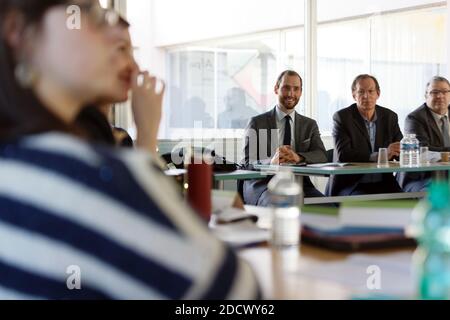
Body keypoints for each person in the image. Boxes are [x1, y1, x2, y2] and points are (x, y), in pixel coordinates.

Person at [0, 0, 259, 299]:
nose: (113, 37)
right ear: (18, 31)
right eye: (89, 14)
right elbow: (241, 296)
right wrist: (147, 135)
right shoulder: (99, 178)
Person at [242, 70, 327, 206]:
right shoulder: (257, 122)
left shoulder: (309, 125)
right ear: (276, 89)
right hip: (264, 185)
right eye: (286, 87)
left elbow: (322, 155)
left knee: (328, 208)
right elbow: (247, 163)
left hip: (299, 185)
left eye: (296, 89)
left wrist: (298, 157)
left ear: (301, 92)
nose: (291, 94)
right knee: (280, 205)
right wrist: (271, 161)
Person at [327, 74, 403, 196]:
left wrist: (402, 151)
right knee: (366, 207)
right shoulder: (342, 117)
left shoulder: (390, 117)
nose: (366, 96)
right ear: (354, 95)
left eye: (370, 91)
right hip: (352, 184)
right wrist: (382, 155)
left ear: (378, 93)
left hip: (384, 183)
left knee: (409, 204)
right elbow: (344, 155)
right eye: (361, 92)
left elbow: (400, 149)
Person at [398, 76, 450, 192]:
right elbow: (422, 150)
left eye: (444, 92)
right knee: (436, 193)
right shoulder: (415, 118)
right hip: (421, 178)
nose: (440, 96)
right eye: (434, 92)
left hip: (447, 176)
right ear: (426, 95)